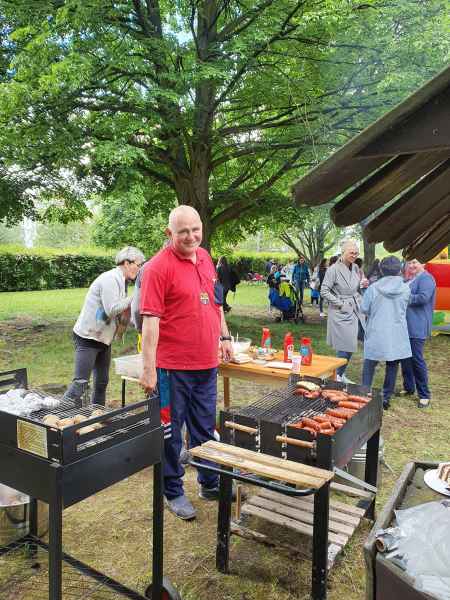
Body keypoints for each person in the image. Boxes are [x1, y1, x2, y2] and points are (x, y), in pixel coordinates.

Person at [139, 205, 233, 521]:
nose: (191, 237)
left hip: (206, 364)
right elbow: (150, 323)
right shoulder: (156, 268)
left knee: (205, 428)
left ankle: (209, 482)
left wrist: (224, 337)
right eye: (183, 232)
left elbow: (216, 303)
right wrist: (148, 369)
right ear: (169, 233)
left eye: (196, 229)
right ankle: (173, 491)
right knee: (170, 434)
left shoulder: (205, 257)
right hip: (171, 368)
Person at [65, 246, 145, 405]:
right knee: (80, 383)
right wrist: (136, 296)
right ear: (127, 263)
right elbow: (111, 309)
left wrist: (140, 324)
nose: (140, 269)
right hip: (88, 338)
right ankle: (58, 415)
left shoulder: (121, 281)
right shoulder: (110, 279)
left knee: (101, 382)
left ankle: (97, 414)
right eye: (138, 264)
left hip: (102, 339)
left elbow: (120, 312)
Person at [361, 256, 411, 409]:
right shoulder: (406, 288)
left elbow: (364, 308)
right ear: (399, 270)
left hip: (377, 329)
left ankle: (364, 394)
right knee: (392, 364)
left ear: (381, 270)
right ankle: (385, 396)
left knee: (370, 363)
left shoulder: (373, 288)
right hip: (396, 331)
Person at [320, 240, 365, 383]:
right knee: (345, 344)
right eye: (351, 252)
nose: (354, 255)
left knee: (351, 343)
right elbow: (324, 291)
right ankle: (337, 375)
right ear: (343, 252)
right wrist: (341, 304)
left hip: (355, 308)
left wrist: (362, 286)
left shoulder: (356, 267)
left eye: (356, 253)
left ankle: (340, 373)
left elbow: (354, 287)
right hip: (341, 310)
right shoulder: (333, 269)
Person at [400, 259, 436, 408]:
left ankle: (424, 395)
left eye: (415, 262)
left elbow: (423, 298)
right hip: (406, 326)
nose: (412, 265)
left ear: (423, 264)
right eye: (410, 263)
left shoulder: (426, 278)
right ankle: (409, 387)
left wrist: (402, 297)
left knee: (416, 359)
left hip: (418, 325)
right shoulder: (411, 278)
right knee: (405, 358)